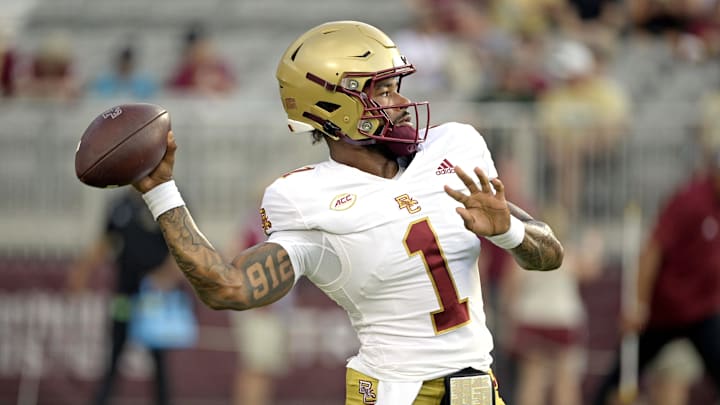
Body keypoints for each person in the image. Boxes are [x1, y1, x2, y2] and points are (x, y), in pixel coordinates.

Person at [129, 21, 564, 405]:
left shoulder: (454, 147)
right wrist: (162, 193)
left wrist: (509, 233)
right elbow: (229, 288)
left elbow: (550, 255)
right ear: (333, 107)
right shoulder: (305, 196)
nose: (400, 102)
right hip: (395, 392)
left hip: (476, 390)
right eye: (384, 90)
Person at [591, 149, 720, 405]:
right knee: (616, 381)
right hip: (663, 311)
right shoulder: (690, 200)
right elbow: (652, 252)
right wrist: (638, 304)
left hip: (703, 311)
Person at [67, 190, 182, 405]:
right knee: (116, 348)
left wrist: (167, 276)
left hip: (153, 296)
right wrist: (82, 273)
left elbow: (185, 245)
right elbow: (104, 242)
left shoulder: (169, 201)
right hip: (124, 293)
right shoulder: (119, 205)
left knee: (158, 355)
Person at [89, 44, 158, 100]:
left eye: (127, 62)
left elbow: (150, 98)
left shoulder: (145, 81)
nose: (125, 65)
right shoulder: (104, 80)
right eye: (122, 62)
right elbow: (99, 99)